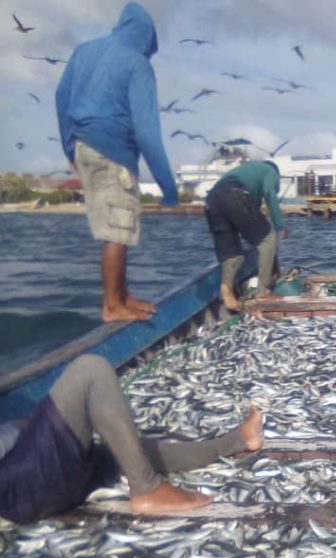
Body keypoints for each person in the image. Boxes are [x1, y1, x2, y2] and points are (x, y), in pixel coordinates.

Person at [0, 355, 264, 524]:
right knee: (90, 370)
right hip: (21, 490)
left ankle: (239, 439)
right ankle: (148, 490)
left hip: (31, 487)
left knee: (128, 452)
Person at [55, 3, 179, 323]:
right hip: (112, 152)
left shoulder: (84, 51)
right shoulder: (136, 64)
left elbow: (60, 97)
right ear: (146, 39)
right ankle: (112, 306)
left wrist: (71, 147)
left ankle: (122, 296)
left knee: (116, 224)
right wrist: (167, 185)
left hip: (84, 147)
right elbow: (147, 131)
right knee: (118, 231)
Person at [204, 160, 287, 311]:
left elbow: (248, 211)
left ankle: (227, 293)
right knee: (268, 238)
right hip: (235, 195)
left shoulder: (245, 172)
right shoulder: (270, 171)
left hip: (211, 201)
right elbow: (269, 192)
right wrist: (279, 225)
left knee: (233, 254)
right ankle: (263, 291)